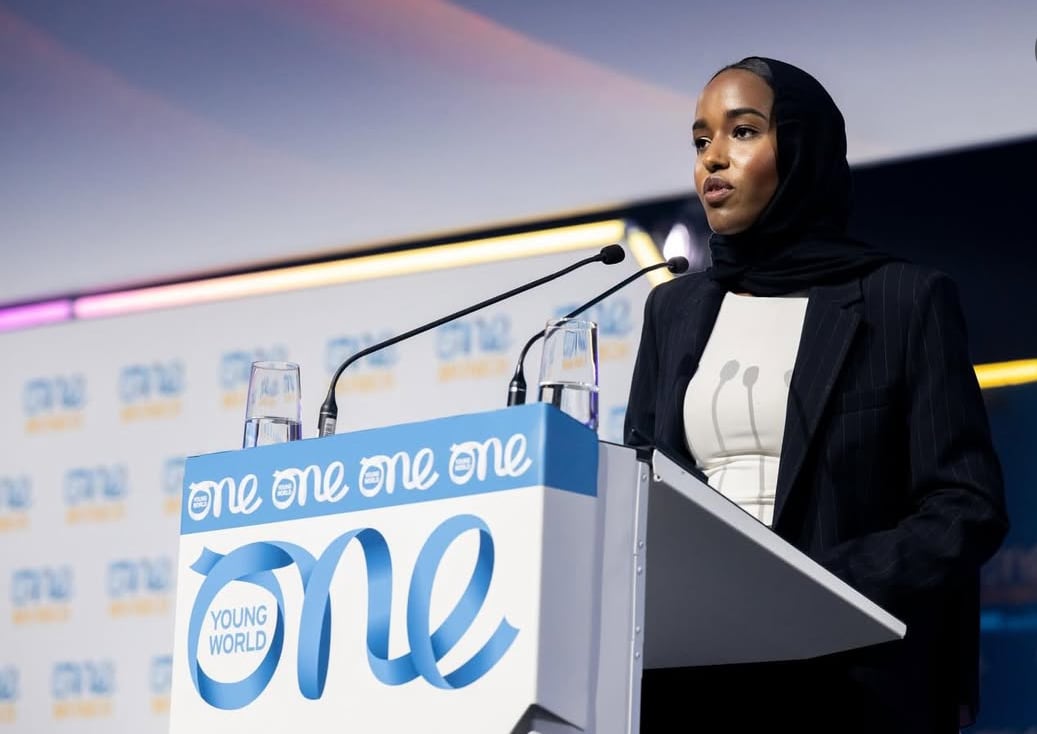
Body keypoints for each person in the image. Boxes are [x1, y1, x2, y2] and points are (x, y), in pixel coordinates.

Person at [624, 56, 1009, 733]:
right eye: (699, 140)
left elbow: (964, 506)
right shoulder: (674, 310)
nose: (713, 158)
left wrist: (816, 585)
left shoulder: (900, 300)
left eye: (741, 132)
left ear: (802, 151)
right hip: (690, 675)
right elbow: (640, 488)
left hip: (844, 676)